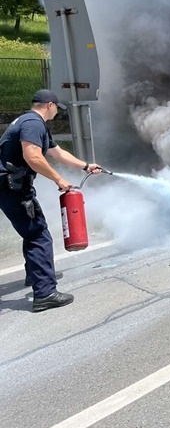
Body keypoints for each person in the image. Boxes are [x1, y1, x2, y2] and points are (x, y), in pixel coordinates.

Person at [0, 90, 103, 312]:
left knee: (32, 232)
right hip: (13, 188)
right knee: (38, 235)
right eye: (57, 107)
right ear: (49, 105)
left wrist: (86, 166)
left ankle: (34, 276)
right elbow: (33, 156)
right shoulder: (33, 123)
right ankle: (45, 293)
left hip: (12, 186)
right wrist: (59, 179)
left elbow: (57, 153)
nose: (57, 111)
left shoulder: (33, 123)